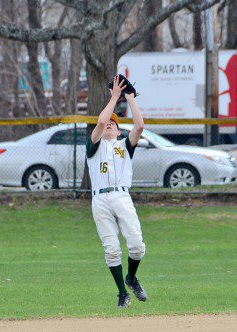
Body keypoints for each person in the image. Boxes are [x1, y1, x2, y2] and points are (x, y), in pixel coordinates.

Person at [86, 75, 147, 308]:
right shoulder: (94, 146)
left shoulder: (124, 146)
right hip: (100, 199)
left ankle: (131, 277)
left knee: (137, 246)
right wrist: (113, 98)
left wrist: (130, 98)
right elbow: (100, 123)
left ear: (119, 132)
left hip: (122, 196)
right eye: (107, 123)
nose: (109, 123)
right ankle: (122, 293)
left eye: (114, 123)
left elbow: (140, 126)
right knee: (112, 249)